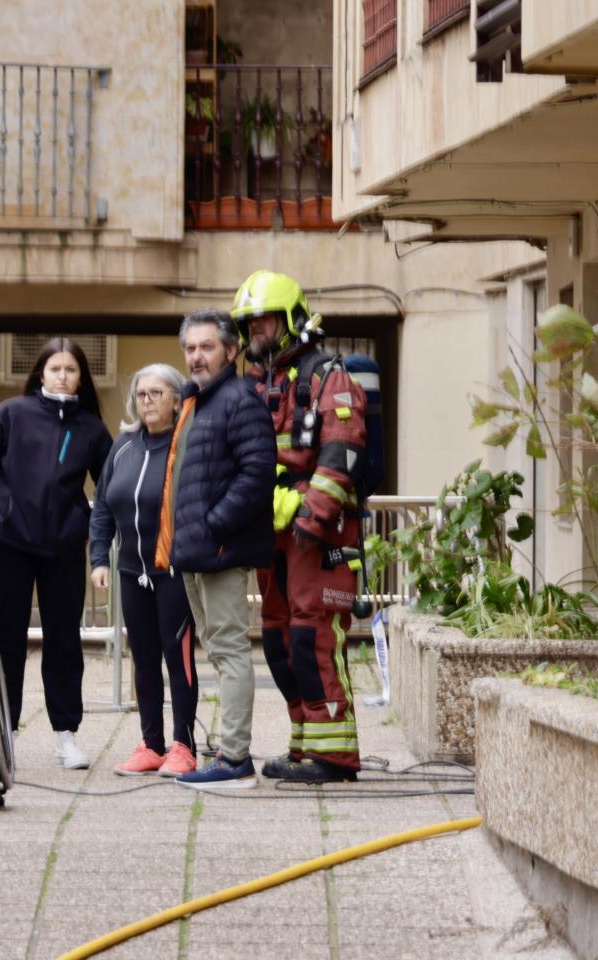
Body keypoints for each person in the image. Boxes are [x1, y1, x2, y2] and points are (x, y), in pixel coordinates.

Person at [235, 271, 368, 783]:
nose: (254, 332)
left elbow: (342, 452)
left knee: (314, 639)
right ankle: (304, 744)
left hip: (320, 538)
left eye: (263, 321)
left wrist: (311, 516)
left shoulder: (328, 378)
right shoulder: (257, 384)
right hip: (273, 536)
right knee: (278, 642)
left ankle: (335, 756)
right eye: (248, 324)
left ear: (290, 319)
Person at [0, 338, 112, 770]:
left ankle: (66, 734)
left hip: (65, 549)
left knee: (64, 641)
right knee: (4, 640)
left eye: (71, 370)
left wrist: (89, 526)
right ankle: (2, 732)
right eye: (55, 369)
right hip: (9, 544)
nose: (63, 376)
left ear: (81, 378)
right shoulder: (13, 413)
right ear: (41, 374)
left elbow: (109, 486)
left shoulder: (91, 428)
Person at [155, 308, 276, 792]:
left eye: (206, 346)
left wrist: (212, 525)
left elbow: (257, 474)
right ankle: (228, 750)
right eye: (190, 348)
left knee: (228, 651)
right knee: (219, 652)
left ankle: (234, 759)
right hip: (197, 551)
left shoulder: (239, 400)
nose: (196, 356)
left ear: (231, 350)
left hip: (220, 549)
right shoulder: (197, 402)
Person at [89, 363, 198, 777]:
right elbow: (101, 507)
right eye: (140, 394)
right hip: (131, 571)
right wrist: (100, 558)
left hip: (173, 571)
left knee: (178, 657)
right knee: (144, 658)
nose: (147, 401)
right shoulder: (124, 446)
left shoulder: (184, 445)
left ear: (175, 399)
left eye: (156, 393)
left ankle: (184, 746)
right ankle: (151, 744)